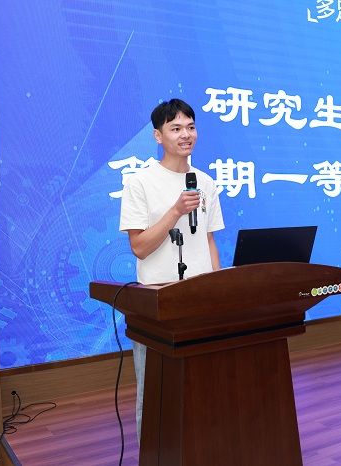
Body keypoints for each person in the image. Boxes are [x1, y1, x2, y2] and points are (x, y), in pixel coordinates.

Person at [119, 98, 225, 441]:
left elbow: (208, 241)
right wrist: (176, 211)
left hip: (200, 300)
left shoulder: (205, 182)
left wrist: (220, 290)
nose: (186, 135)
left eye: (190, 127)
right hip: (157, 304)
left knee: (205, 385)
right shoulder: (140, 182)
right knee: (155, 392)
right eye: (176, 128)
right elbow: (139, 246)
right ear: (158, 136)